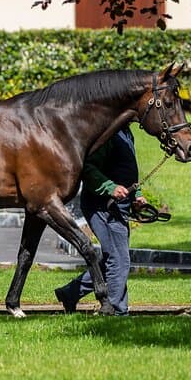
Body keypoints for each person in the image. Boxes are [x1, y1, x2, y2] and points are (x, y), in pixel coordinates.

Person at [54, 123, 149, 315]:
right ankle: (116, 311)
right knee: (119, 259)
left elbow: (127, 167)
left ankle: (70, 293)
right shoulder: (106, 133)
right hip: (101, 205)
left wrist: (136, 195)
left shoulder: (125, 131)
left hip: (119, 206)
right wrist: (110, 187)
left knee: (114, 258)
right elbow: (87, 168)